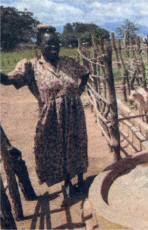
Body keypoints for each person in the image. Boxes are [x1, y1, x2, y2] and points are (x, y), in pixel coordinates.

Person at [0, 24, 89, 198]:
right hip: (51, 117)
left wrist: (79, 91)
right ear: (39, 45)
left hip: (74, 112)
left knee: (77, 144)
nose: (54, 46)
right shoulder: (32, 67)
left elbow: (85, 73)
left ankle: (80, 179)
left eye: (56, 43)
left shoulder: (69, 62)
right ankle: (67, 182)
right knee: (57, 149)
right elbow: (10, 79)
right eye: (49, 43)